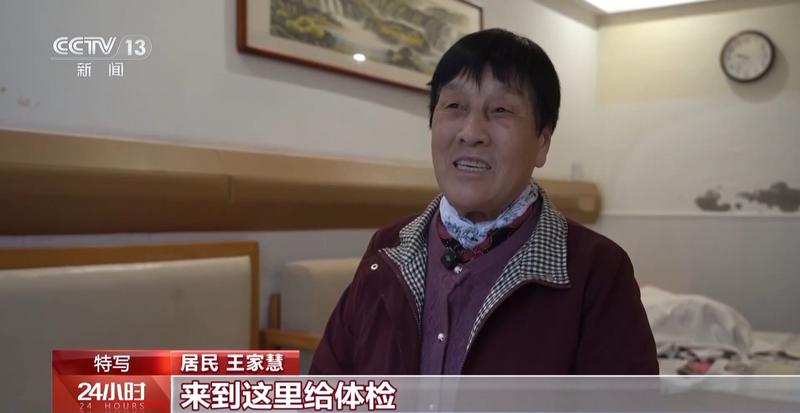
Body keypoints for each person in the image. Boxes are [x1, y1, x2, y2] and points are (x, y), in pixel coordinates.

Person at [310, 28, 658, 374]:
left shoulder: (597, 270)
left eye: (500, 110)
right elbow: (330, 386)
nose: (471, 133)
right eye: (454, 106)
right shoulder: (389, 249)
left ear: (542, 141)